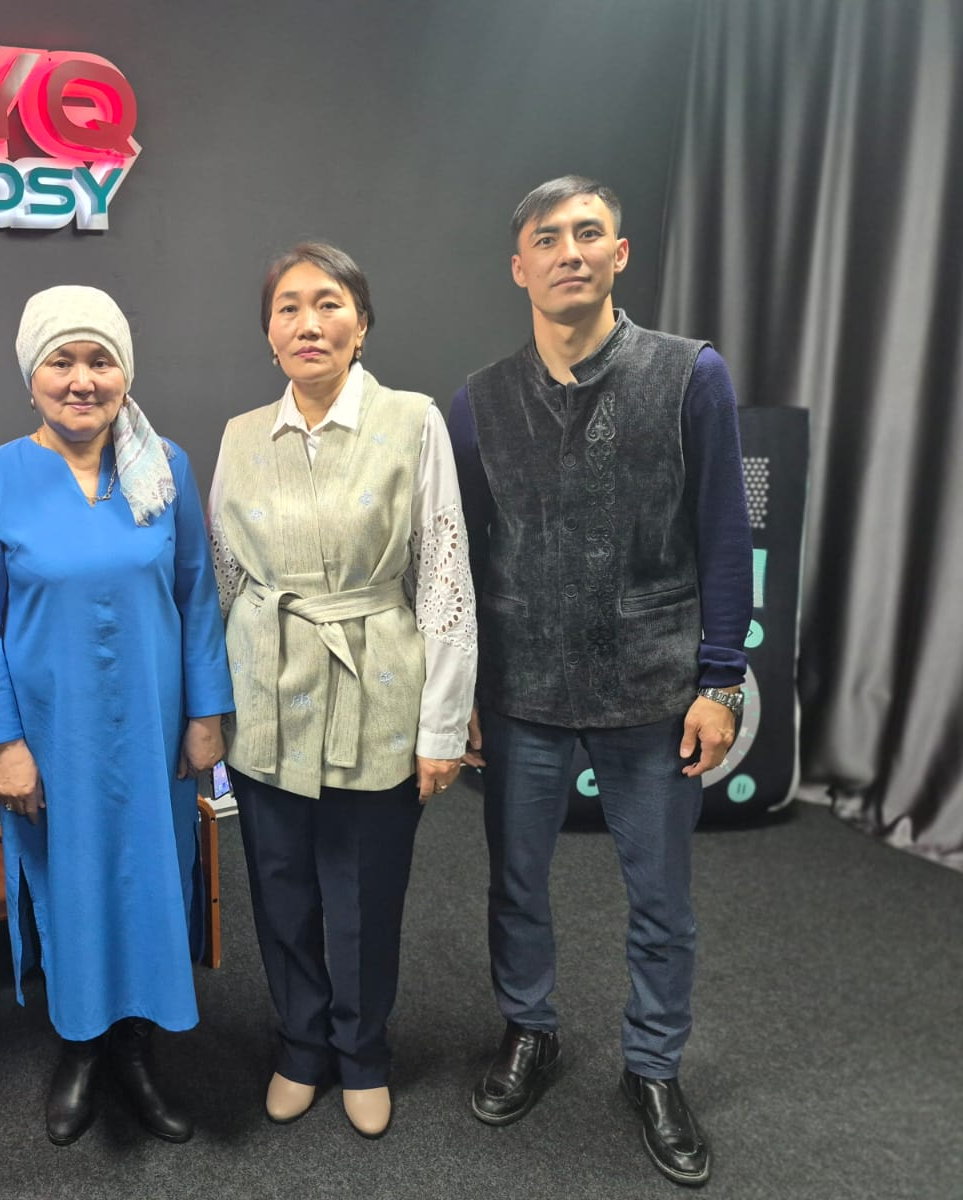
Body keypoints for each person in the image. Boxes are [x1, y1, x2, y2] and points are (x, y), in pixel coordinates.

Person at [449, 176, 751, 1188]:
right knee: (514, 884)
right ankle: (528, 1029)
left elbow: (722, 534)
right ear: (519, 267)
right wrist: (462, 694)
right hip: (521, 690)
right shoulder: (479, 401)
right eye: (548, 238)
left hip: (655, 686)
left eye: (589, 234)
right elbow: (460, 557)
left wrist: (722, 680)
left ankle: (654, 1068)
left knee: (660, 898)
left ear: (619, 254)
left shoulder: (689, 375)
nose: (569, 251)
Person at [208, 243, 477, 1138]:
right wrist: (213, 705)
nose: (308, 323)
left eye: (328, 303)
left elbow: (444, 576)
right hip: (267, 688)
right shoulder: (241, 436)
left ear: (361, 325)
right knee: (280, 885)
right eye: (288, 307)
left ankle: (363, 1053)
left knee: (364, 891)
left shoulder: (411, 421)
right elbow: (221, 577)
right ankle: (300, 1046)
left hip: (379, 683)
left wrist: (442, 728)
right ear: (268, 333)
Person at [0, 285, 233, 1147]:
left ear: (125, 373)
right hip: (53, 737)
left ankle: (138, 1050)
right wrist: (5, 745)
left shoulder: (164, 467)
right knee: (70, 886)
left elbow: (196, 594)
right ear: (31, 375)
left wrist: (206, 715)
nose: (82, 380)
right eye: (62, 361)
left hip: (152, 729)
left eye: (100, 360)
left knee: (152, 879)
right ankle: (80, 1046)